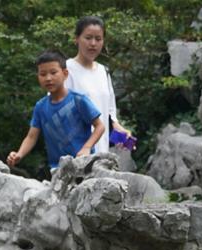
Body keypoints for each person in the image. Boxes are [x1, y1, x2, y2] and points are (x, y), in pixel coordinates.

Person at [7, 50, 105, 171]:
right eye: (43, 74)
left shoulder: (79, 100)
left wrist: (87, 147)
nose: (48, 78)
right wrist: (19, 154)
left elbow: (100, 126)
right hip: (57, 169)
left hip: (84, 165)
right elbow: (31, 137)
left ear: (65, 74)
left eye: (53, 73)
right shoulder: (40, 107)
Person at [65, 15, 133, 155]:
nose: (93, 43)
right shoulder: (66, 70)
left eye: (98, 39)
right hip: (75, 152)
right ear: (76, 39)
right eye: (88, 38)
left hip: (101, 152)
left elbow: (109, 114)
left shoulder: (103, 71)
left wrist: (121, 133)